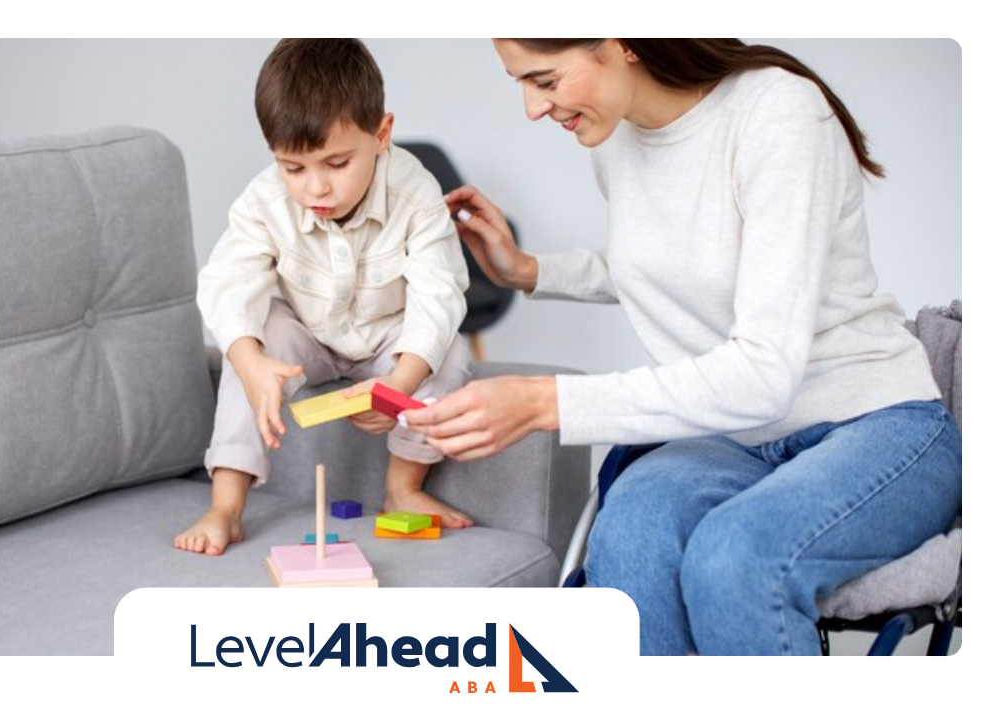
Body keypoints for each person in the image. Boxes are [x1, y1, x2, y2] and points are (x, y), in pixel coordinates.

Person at [403, 39, 962, 655]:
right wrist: (529, 270)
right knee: (629, 532)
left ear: (619, 44)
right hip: (739, 438)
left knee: (735, 556)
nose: (533, 108)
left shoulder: (779, 113)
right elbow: (676, 269)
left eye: (545, 79)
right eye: (521, 84)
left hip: (875, 425)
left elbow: (763, 374)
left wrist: (544, 401)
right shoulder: (614, 142)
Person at [175, 38, 474, 556]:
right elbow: (228, 281)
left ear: (381, 134)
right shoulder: (264, 200)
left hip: (385, 337)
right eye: (294, 169)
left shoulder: (415, 192)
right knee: (254, 342)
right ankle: (226, 505)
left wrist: (399, 382)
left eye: (336, 164)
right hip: (306, 338)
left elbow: (439, 291)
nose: (315, 189)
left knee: (449, 350)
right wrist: (249, 362)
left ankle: (403, 487)